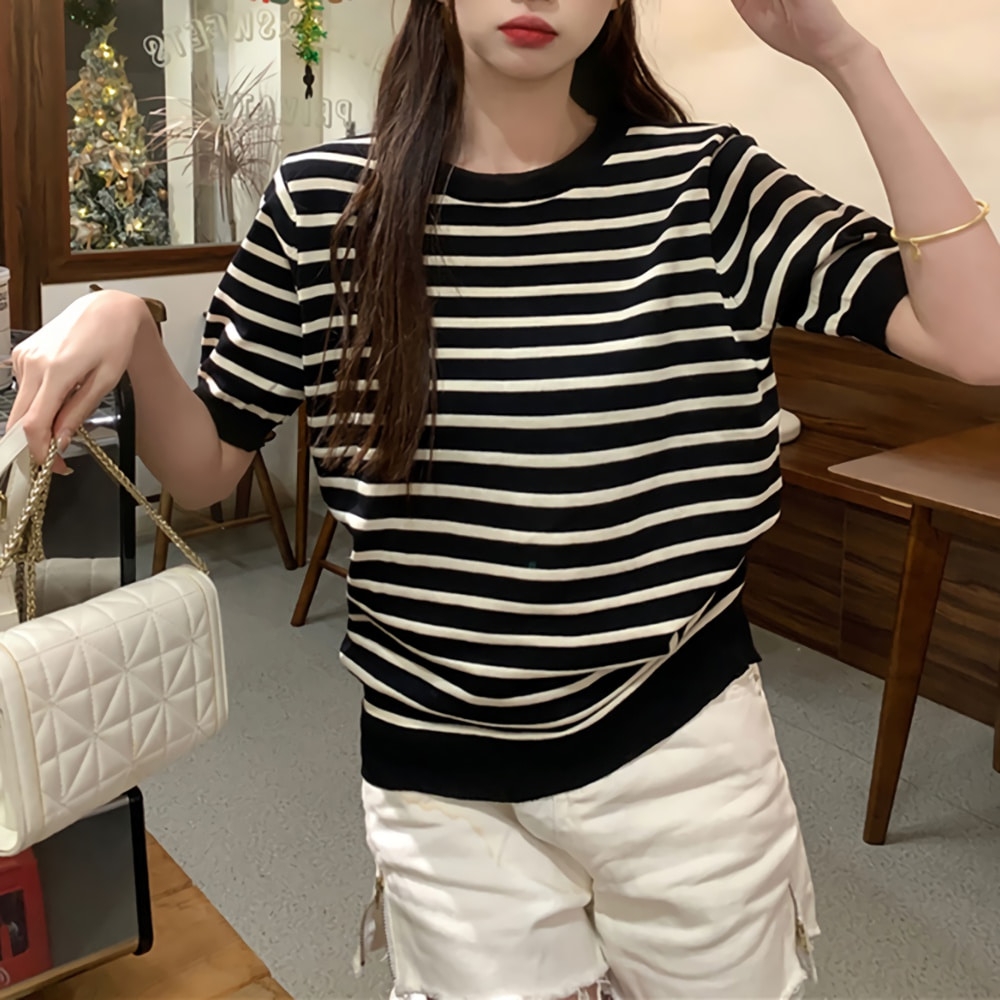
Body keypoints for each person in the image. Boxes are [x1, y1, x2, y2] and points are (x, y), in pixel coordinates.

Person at [11, 1, 1000, 997]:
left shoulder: (704, 185)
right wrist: (127, 325)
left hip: (680, 743)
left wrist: (844, 53)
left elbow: (977, 341)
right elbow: (207, 469)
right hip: (441, 779)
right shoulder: (324, 205)